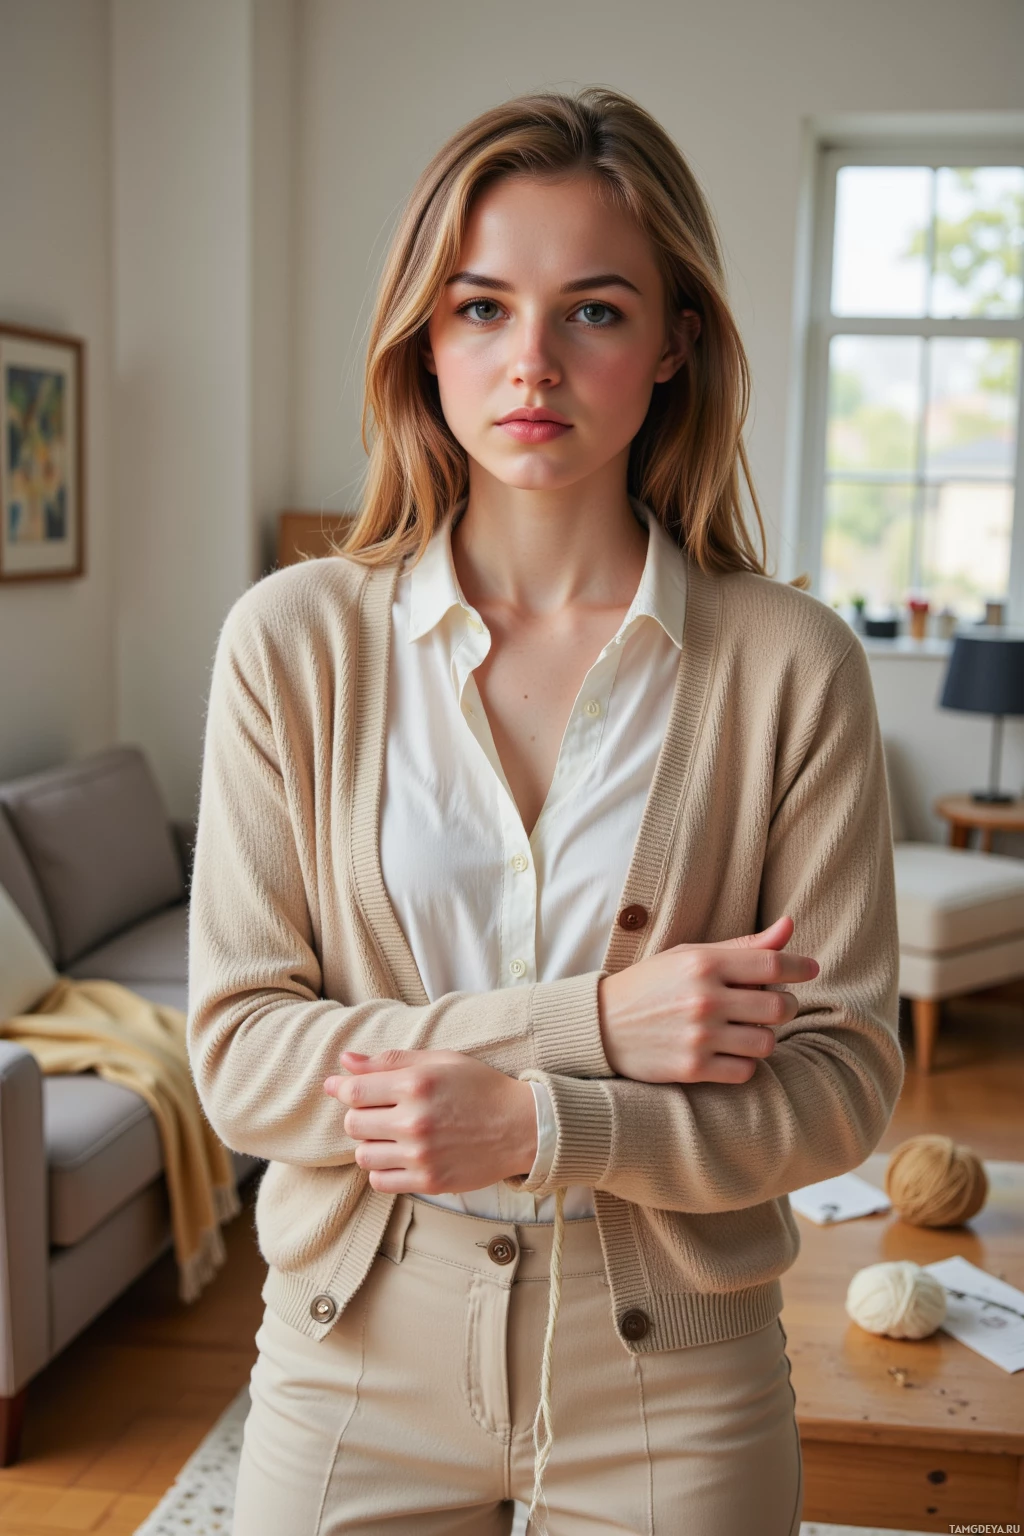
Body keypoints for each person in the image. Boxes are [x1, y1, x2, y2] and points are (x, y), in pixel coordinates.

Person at [187, 87, 903, 1536]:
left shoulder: (791, 664)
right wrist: (593, 1026)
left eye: (592, 311)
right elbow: (245, 1062)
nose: (531, 363)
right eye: (480, 309)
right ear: (423, 337)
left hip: (677, 1377)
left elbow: (839, 1084)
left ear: (675, 342)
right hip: (353, 1348)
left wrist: (538, 1119)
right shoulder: (293, 645)